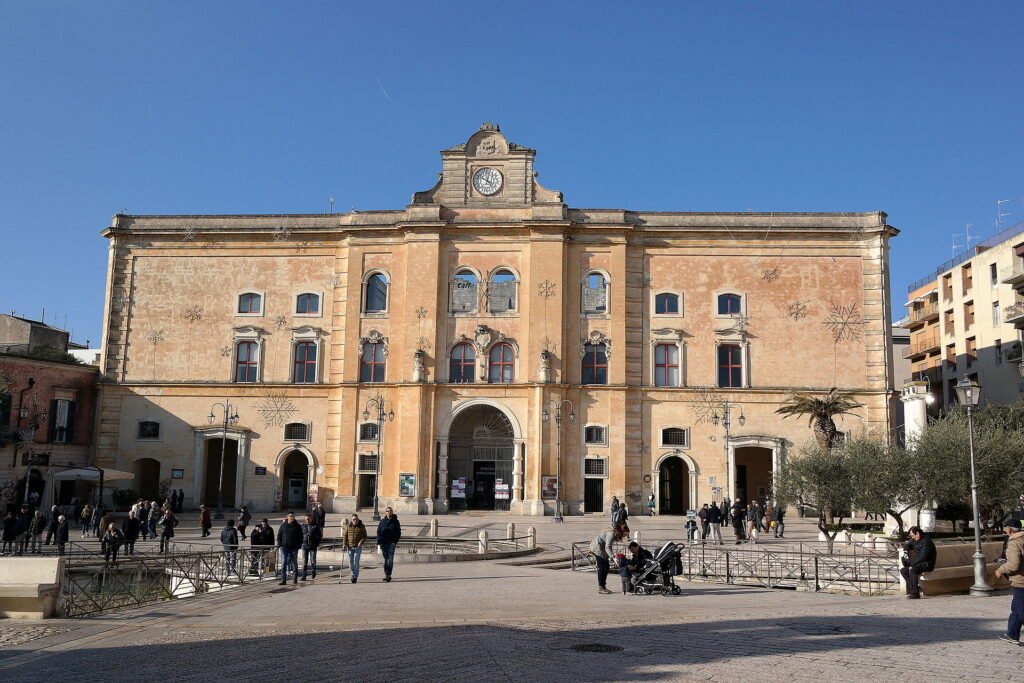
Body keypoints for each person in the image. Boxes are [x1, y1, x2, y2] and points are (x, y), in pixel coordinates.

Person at [995, 518, 1024, 645]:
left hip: (1020, 580)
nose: (1005, 531)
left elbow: (1013, 565)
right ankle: (1012, 634)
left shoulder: (1014, 542)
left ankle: (1012, 634)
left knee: (1020, 610)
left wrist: (1000, 570)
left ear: (1010, 529)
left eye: (1005, 529)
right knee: (1017, 609)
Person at [589, 523, 630, 595]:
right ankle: (601, 587)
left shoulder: (615, 533)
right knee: (602, 567)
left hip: (602, 548)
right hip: (597, 548)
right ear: (621, 532)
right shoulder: (611, 534)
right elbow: (607, 546)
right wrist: (613, 557)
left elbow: (608, 546)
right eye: (624, 535)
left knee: (606, 567)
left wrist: (611, 556)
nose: (625, 536)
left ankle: (603, 586)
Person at [900, 526, 937, 599]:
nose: (912, 538)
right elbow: (907, 545)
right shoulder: (915, 540)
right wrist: (905, 550)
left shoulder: (926, 541)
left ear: (917, 533)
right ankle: (915, 588)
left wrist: (912, 564)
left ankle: (915, 593)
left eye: (912, 535)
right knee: (903, 571)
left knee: (913, 570)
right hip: (919, 563)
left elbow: (923, 556)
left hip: (927, 564)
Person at [376, 506, 402, 582]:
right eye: (387, 511)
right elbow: (378, 531)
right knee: (386, 559)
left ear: (392, 512)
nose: (389, 512)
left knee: (390, 559)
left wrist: (395, 542)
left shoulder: (396, 521)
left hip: (391, 543)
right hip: (383, 543)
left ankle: (388, 575)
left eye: (390, 511)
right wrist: (379, 541)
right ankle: (386, 573)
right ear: (385, 512)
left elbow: (399, 532)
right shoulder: (382, 521)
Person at [278, 512, 304, 585]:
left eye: (293, 516)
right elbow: (279, 535)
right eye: (290, 516)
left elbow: (301, 537)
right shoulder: (283, 526)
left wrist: (299, 546)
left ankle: (295, 578)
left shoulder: (297, 526)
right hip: (284, 548)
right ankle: (283, 580)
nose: (291, 517)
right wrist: (280, 545)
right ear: (287, 517)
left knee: (294, 563)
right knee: (283, 563)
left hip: (294, 548)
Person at [343, 513, 367, 584]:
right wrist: (344, 544)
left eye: (356, 519)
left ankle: (355, 576)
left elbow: (365, 536)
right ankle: (352, 574)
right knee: (351, 562)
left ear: (358, 519)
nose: (355, 521)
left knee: (356, 561)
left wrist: (361, 542)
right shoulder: (348, 526)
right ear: (351, 520)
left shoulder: (361, 526)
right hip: (350, 547)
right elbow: (345, 536)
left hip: (358, 547)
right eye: (353, 519)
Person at [300, 513, 322, 581]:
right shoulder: (302, 526)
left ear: (311, 519)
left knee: (313, 561)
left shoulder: (315, 525)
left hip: (313, 546)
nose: (307, 520)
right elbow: (299, 535)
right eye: (306, 519)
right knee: (304, 561)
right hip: (304, 545)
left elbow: (320, 535)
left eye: (309, 519)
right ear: (304, 519)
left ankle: (313, 571)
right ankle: (304, 575)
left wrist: (317, 543)